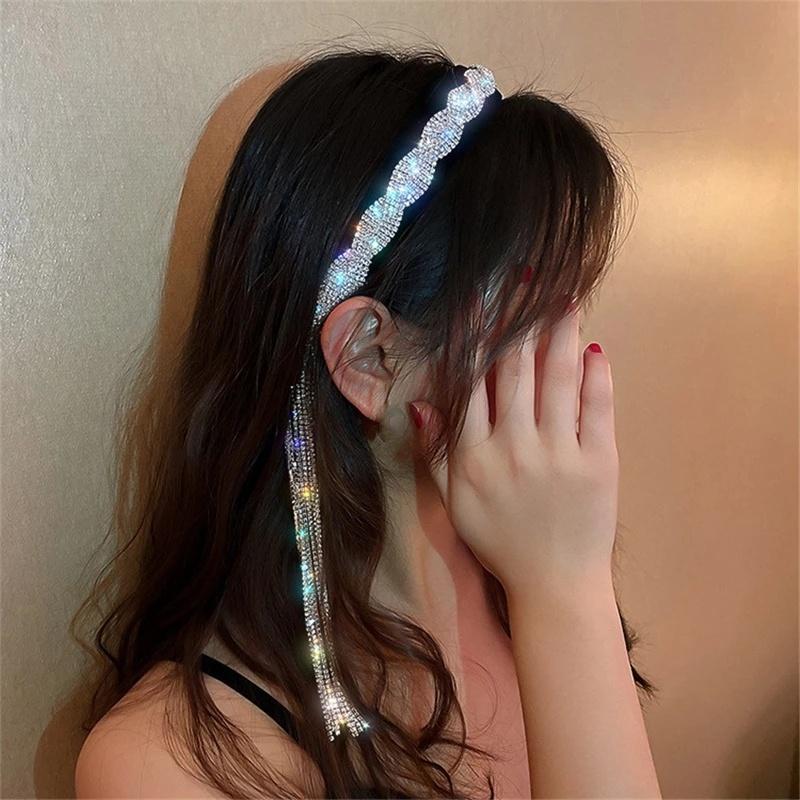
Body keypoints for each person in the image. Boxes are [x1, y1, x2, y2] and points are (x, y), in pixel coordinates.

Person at [72, 44, 661, 799]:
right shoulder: (169, 763)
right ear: (367, 357)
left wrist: (566, 590)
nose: (569, 357)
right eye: (535, 313)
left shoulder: (529, 572)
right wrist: (565, 590)